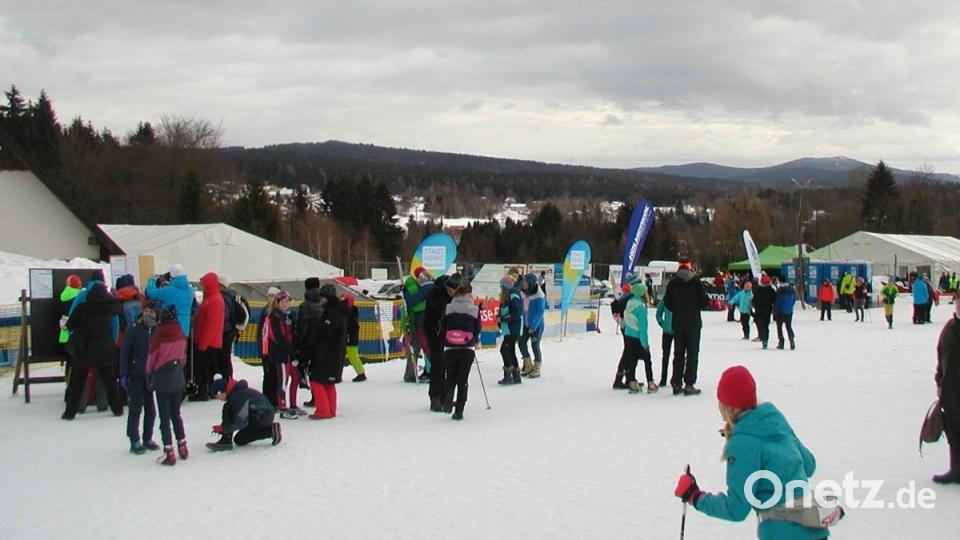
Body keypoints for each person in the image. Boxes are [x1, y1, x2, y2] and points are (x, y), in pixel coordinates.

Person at [674, 365, 831, 539]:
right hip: (815, 530)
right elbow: (809, 465)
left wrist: (694, 496)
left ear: (726, 405)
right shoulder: (775, 421)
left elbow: (736, 509)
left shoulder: (742, 444)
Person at [62, 281, 124, 420]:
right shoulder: (110, 309)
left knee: (77, 383)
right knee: (110, 381)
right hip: (105, 350)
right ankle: (117, 409)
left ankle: (70, 413)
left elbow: (70, 325)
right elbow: (116, 324)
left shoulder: (82, 308)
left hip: (84, 350)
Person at [145, 301, 189, 466]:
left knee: (164, 417)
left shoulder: (158, 336)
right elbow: (183, 358)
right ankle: (182, 445)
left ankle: (169, 450)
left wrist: (149, 375)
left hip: (162, 379)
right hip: (177, 378)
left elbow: (151, 359)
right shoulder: (181, 334)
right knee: (176, 414)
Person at [663, 259, 710, 395]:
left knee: (678, 353)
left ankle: (676, 382)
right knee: (692, 353)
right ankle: (689, 383)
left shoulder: (673, 283)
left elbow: (668, 303)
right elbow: (703, 303)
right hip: (693, 323)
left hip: (678, 323)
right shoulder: (696, 282)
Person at [119, 299, 159, 454]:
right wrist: (124, 373)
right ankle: (134, 439)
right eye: (146, 311)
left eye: (151, 311)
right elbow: (125, 352)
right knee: (136, 407)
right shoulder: (134, 328)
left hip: (151, 375)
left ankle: (147, 437)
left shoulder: (157, 330)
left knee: (151, 409)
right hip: (136, 373)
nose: (148, 314)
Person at [439, 277, 479, 420]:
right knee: (463, 381)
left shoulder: (448, 308)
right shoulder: (474, 309)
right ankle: (459, 411)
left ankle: (449, 395)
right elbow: (477, 330)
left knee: (450, 377)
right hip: (467, 349)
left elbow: (443, 327)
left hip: (450, 348)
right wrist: (475, 341)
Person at [206, 377, 281, 450]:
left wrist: (224, 428)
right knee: (239, 439)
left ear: (222, 392)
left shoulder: (238, 397)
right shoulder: (238, 393)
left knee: (228, 408)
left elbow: (241, 421)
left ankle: (226, 440)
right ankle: (270, 431)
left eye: (217, 396)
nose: (219, 399)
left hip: (261, 416)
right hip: (264, 415)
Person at [307, 284, 346, 419]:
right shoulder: (340, 311)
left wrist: (315, 335)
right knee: (329, 383)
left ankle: (323, 411)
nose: (320, 300)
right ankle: (331, 409)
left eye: (322, 297)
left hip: (327, 354)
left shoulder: (331, 313)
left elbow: (325, 333)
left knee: (317, 380)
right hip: (336, 354)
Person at [934, 300, 960, 483]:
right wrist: (939, 379)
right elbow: (940, 354)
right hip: (950, 391)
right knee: (953, 432)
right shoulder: (950, 327)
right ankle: (956, 470)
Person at [425, 273, 459, 408]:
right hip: (434, 330)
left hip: (445, 330)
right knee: (438, 363)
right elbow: (443, 310)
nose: (453, 294)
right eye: (452, 292)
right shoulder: (435, 292)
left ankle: (444, 395)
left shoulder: (448, 292)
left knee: (446, 363)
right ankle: (435, 397)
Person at [190, 272, 225, 401]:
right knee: (208, 368)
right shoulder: (211, 298)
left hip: (208, 342)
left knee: (203, 368)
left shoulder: (214, 300)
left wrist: (203, 344)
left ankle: (203, 392)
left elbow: (211, 325)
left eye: (204, 284)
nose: (202, 286)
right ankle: (210, 390)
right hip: (208, 341)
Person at [265, 291, 300, 417]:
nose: (286, 304)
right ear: (278, 302)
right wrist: (291, 349)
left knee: (296, 378)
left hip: (291, 353)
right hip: (281, 353)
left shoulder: (291, 315)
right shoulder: (274, 316)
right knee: (283, 380)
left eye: (287, 301)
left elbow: (294, 332)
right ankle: (282, 407)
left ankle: (293, 404)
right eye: (283, 302)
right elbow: (278, 337)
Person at [622, 281, 657, 393]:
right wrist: (645, 344)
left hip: (628, 335)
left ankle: (632, 383)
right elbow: (643, 328)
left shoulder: (629, 302)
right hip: (638, 337)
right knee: (647, 360)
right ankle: (651, 384)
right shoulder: (641, 307)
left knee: (633, 360)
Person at [403, 267, 435, 382]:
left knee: (425, 346)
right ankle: (429, 370)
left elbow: (412, 301)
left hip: (421, 321)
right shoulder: (433, 287)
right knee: (427, 346)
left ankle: (432, 370)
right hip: (431, 322)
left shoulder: (426, 288)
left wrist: (405, 294)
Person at [296, 279, 321, 406]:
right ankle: (321, 396)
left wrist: (298, 342)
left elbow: (302, 327)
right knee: (320, 371)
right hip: (322, 343)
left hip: (309, 343)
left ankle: (315, 397)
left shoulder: (305, 305)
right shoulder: (323, 302)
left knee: (309, 371)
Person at [497, 274, 524, 387]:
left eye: (501, 286)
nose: (500, 288)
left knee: (505, 350)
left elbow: (517, 312)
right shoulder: (507, 296)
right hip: (509, 329)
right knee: (510, 351)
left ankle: (509, 374)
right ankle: (515, 375)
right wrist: (499, 319)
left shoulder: (513, 295)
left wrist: (503, 318)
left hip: (513, 329)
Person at [519, 273, 546, 379]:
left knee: (535, 345)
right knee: (521, 343)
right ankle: (528, 365)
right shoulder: (523, 292)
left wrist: (533, 326)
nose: (522, 283)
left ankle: (537, 368)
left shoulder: (539, 295)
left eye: (525, 282)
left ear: (530, 283)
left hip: (536, 325)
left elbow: (540, 312)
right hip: (526, 324)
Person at [611, 281, 635, 389]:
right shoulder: (624, 301)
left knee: (628, 352)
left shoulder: (620, 301)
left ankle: (628, 378)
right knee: (627, 353)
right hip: (627, 328)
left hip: (625, 328)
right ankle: (620, 379)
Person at [342, 294, 367, 382]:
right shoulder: (352, 312)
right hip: (351, 338)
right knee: (352, 356)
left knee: (353, 356)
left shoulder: (349, 313)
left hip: (350, 338)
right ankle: (361, 373)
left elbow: (348, 326)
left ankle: (361, 373)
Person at [655, 286, 673, 388]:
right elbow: (658, 314)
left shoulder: (678, 298)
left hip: (677, 330)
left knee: (678, 356)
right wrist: (663, 324)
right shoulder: (665, 299)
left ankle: (676, 377)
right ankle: (663, 378)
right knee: (665, 355)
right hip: (667, 331)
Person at [752, 274, 775, 349]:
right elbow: (774, 300)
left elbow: (754, 300)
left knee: (760, 325)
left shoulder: (758, 290)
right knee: (766, 325)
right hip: (767, 310)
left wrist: (755, 306)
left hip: (759, 310)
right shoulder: (771, 290)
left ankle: (762, 337)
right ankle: (765, 339)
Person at [774, 278, 797, 350]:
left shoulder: (780, 290)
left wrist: (775, 313)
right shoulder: (791, 289)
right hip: (789, 311)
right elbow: (793, 300)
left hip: (780, 312)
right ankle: (792, 340)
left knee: (779, 327)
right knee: (788, 326)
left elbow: (777, 303)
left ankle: (781, 342)